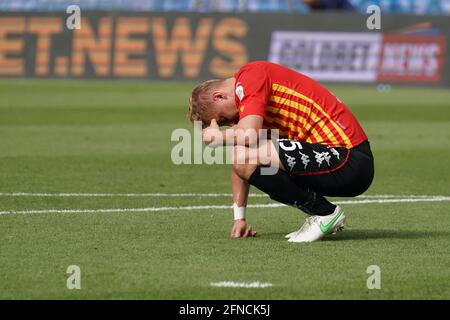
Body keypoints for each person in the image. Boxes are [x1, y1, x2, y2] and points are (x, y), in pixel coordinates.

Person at [188, 61, 374, 243]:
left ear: (219, 97)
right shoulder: (252, 102)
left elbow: (248, 136)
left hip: (348, 158)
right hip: (339, 163)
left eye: (222, 119)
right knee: (243, 156)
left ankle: (325, 213)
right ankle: (321, 212)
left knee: (244, 153)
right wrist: (239, 218)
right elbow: (242, 157)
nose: (229, 124)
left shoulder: (251, 75)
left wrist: (218, 137)